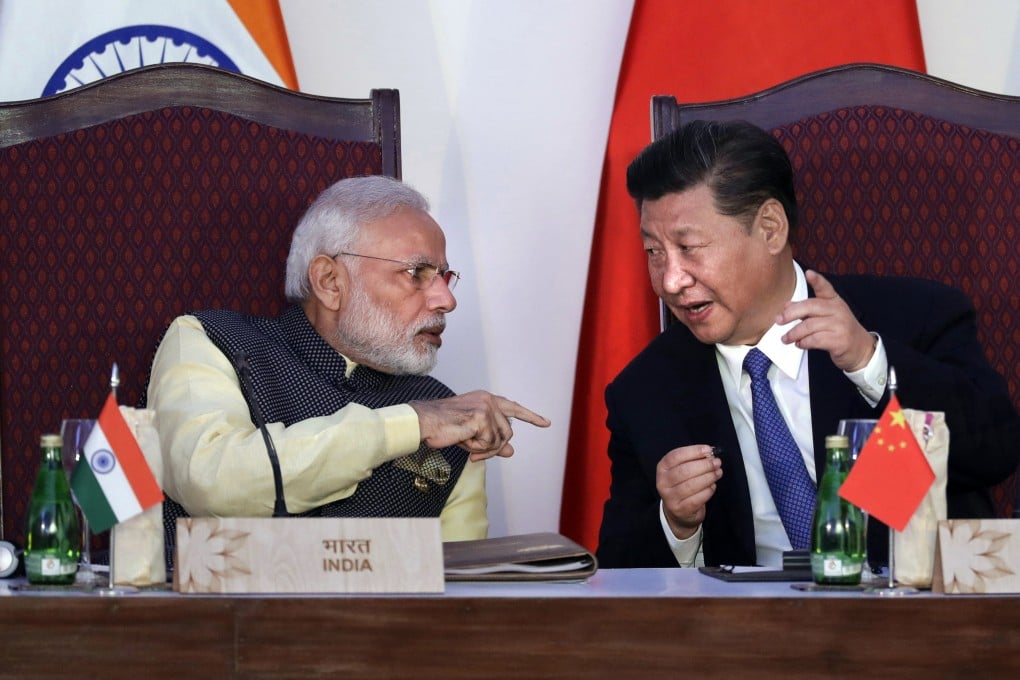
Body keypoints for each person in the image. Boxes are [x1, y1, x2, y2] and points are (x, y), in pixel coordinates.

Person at [596, 120, 1020, 569]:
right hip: (745, 615)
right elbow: (618, 576)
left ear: (770, 228)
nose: (670, 281)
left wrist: (869, 362)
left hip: (909, 605)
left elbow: (996, 453)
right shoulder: (645, 391)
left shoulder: (914, 318)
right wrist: (676, 523)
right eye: (654, 252)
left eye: (689, 247)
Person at [147, 175, 550, 557]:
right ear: (329, 282)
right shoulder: (211, 339)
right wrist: (410, 425)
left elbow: (459, 587)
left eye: (444, 277)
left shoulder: (448, 412)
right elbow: (211, 482)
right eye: (417, 274)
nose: (447, 300)